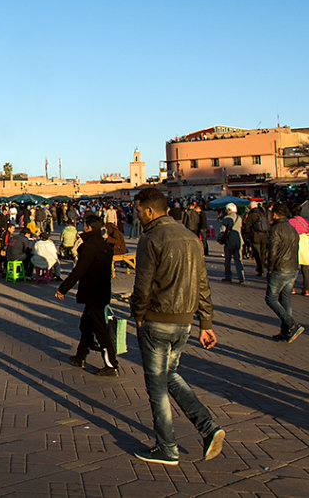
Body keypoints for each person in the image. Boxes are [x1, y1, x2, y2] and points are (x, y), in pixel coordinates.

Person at [129, 188, 224, 466]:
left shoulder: (151, 238)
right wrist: (205, 322)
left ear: (148, 210)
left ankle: (167, 447)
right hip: (185, 321)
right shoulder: (190, 237)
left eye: (138, 209)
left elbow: (143, 284)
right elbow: (202, 283)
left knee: (156, 386)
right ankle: (207, 427)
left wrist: (137, 314)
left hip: (158, 319)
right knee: (169, 374)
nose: (136, 214)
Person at [56, 215, 117, 376]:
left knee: (100, 329)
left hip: (93, 292)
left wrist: (63, 288)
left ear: (89, 227)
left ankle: (111, 365)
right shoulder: (104, 245)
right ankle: (80, 355)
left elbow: (79, 270)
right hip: (102, 290)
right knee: (87, 325)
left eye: (84, 225)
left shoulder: (89, 247)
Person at [265, 204, 305, 343]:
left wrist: (269, 268)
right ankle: (286, 330)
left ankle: (292, 324)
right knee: (285, 298)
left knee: (271, 299)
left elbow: (273, 251)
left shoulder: (276, 229)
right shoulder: (291, 228)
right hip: (292, 267)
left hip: (280, 268)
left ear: (275, 214)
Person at [219, 203, 245, 283]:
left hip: (229, 241)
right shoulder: (239, 218)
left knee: (228, 260)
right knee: (238, 260)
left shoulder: (226, 218)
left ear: (229, 210)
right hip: (239, 240)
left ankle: (228, 276)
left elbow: (222, 231)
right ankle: (241, 278)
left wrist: (220, 239)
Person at [243, 201, 269, 277]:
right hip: (264, 236)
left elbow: (247, 226)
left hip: (255, 236)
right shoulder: (262, 213)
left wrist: (248, 234)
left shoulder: (251, 215)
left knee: (257, 253)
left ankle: (260, 269)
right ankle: (263, 266)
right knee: (263, 253)